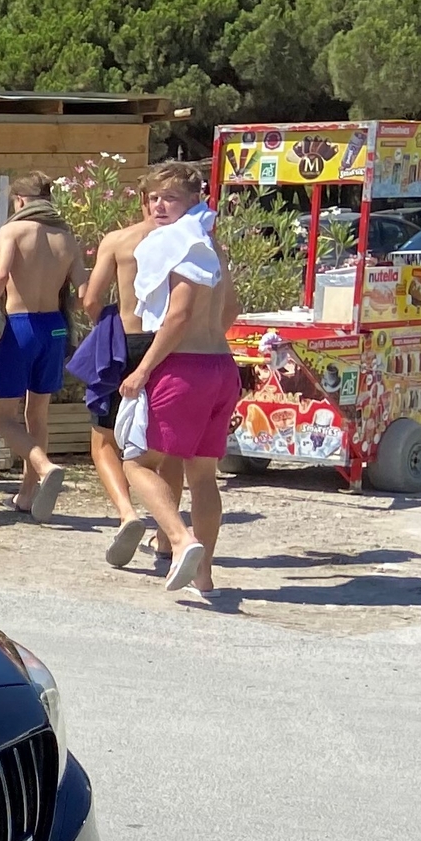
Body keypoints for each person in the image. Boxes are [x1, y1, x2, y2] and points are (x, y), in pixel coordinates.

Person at [118, 162, 240, 600]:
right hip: (220, 367)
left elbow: (178, 314)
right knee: (203, 475)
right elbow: (231, 307)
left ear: (192, 200)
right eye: (153, 196)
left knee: (135, 462)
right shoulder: (209, 242)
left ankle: (180, 538)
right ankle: (204, 576)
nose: (158, 204)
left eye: (169, 197)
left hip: (183, 367)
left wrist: (144, 368)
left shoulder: (182, 244)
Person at [0, 173, 82, 522]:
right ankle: (27, 494)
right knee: (37, 415)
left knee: (4, 418)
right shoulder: (66, 237)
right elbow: (83, 289)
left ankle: (45, 468)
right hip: (53, 327)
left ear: (19, 201)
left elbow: (1, 275)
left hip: (20, 327)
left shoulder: (13, 231)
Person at [75, 196, 157, 562]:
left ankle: (126, 511)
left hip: (128, 339)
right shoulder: (190, 239)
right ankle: (168, 534)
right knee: (164, 442)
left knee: (104, 439)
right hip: (172, 343)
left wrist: (106, 322)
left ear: (141, 201)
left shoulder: (120, 240)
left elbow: (91, 298)